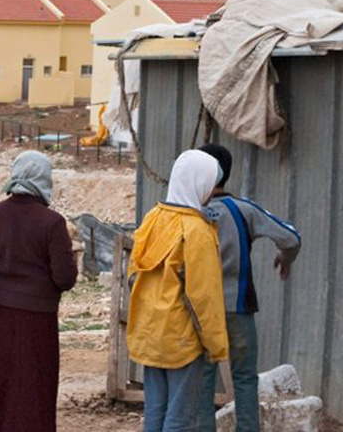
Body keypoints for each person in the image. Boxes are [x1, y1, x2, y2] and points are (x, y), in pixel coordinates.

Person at [0, 150, 78, 432]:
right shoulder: (52, 222)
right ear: (45, 179)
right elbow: (65, 278)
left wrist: (6, 266)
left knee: (0, 373)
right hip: (38, 314)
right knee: (34, 379)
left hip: (0, 308)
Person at [197, 144, 302, 432]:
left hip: (203, 313)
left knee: (204, 379)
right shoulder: (243, 209)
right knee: (244, 378)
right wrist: (285, 258)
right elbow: (291, 238)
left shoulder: (192, 213)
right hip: (240, 308)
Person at [127, 149, 229, 432]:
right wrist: (216, 344)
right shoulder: (197, 231)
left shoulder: (153, 218)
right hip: (182, 340)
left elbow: (133, 276)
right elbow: (203, 297)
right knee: (180, 419)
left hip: (150, 335)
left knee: (155, 414)